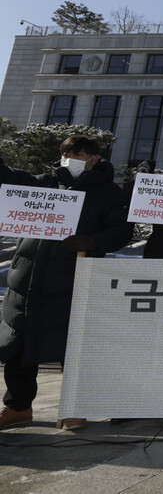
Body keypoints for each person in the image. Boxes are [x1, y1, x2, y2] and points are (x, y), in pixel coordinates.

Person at [0, 136, 132, 429]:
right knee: (19, 347)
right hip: (28, 280)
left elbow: (123, 231)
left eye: (80, 153)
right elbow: (8, 178)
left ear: (94, 158)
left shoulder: (109, 193)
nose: (72, 157)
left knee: (72, 349)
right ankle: (18, 407)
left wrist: (92, 241)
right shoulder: (44, 182)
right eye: (68, 152)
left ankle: (74, 407)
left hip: (73, 281)